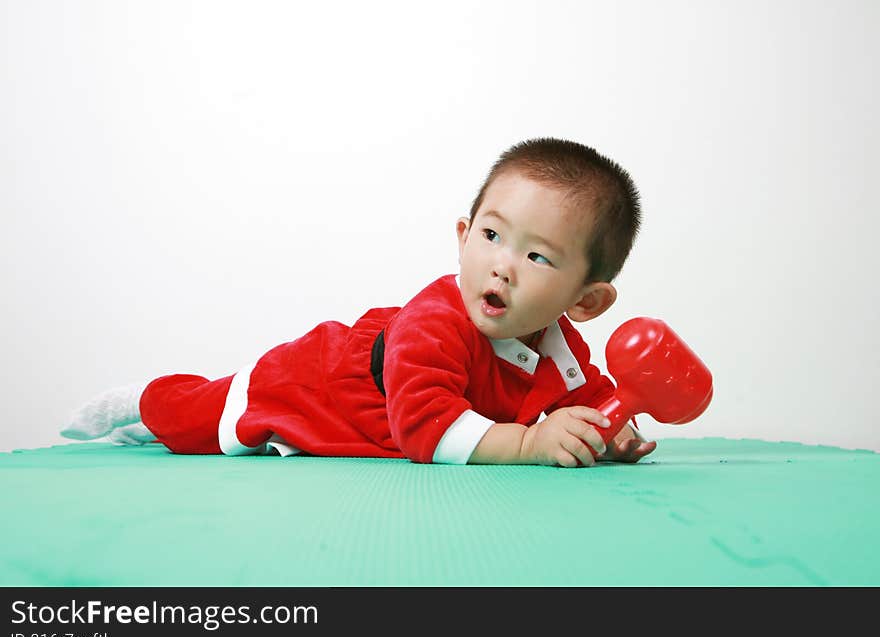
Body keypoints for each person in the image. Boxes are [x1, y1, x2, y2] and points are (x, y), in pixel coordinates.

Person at [61, 137, 657, 467]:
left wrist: (610, 431)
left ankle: (150, 413)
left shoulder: (560, 347)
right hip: (310, 384)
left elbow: (584, 399)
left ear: (585, 301)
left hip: (358, 416)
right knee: (198, 420)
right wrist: (529, 443)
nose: (502, 263)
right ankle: (137, 403)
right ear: (462, 236)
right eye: (492, 235)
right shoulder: (436, 323)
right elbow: (427, 429)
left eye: (537, 257)